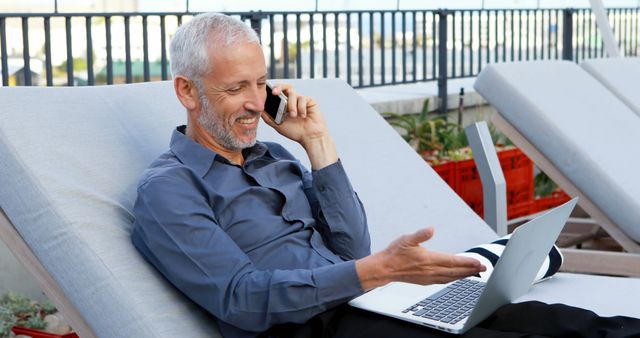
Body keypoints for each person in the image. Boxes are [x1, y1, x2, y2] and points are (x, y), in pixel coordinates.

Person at [132, 13, 640, 338]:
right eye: (235, 87)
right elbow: (241, 299)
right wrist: (378, 272)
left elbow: (352, 247)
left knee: (575, 324)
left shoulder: (275, 160)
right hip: (320, 327)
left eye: (261, 82)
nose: (254, 101)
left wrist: (317, 144)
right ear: (187, 91)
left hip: (379, 301)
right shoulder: (171, 190)